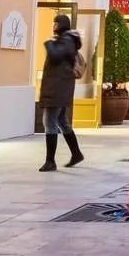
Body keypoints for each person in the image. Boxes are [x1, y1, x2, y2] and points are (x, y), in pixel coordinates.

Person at [39, 14, 84, 171]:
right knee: (61, 121)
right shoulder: (67, 40)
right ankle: (76, 153)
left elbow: (55, 56)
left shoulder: (66, 41)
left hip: (57, 89)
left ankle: (50, 161)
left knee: (49, 122)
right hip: (59, 89)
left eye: (56, 23)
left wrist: (49, 43)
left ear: (62, 25)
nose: (53, 26)